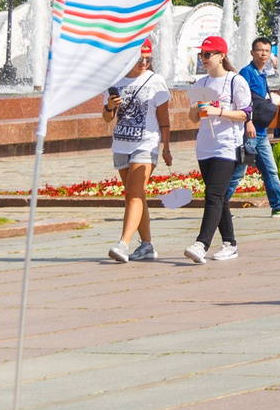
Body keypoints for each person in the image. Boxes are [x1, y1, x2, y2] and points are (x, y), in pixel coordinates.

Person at [103, 42, 174, 263]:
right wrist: (109, 106)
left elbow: (164, 119)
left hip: (146, 143)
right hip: (122, 144)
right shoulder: (116, 81)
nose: (144, 63)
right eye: (140, 58)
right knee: (136, 196)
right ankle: (147, 245)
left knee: (133, 194)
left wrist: (167, 147)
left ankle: (123, 244)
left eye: (148, 59)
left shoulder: (155, 80)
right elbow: (107, 118)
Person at [184, 36, 252, 264]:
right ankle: (230, 243)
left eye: (208, 54)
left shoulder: (236, 81)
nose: (203, 58)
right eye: (201, 54)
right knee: (219, 196)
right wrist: (197, 108)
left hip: (227, 145)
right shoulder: (201, 83)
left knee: (212, 195)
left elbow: (245, 114)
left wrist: (220, 112)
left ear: (221, 55)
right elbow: (193, 118)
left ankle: (201, 244)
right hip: (205, 146)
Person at [238, 38, 280, 219]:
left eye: (267, 51)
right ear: (252, 52)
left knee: (270, 170)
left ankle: (278, 207)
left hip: (261, 133)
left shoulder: (262, 74)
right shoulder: (246, 73)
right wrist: (248, 121)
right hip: (250, 132)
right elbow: (242, 100)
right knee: (238, 172)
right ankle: (219, 208)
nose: (263, 54)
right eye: (260, 50)